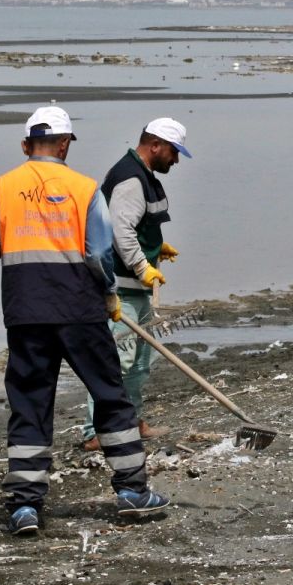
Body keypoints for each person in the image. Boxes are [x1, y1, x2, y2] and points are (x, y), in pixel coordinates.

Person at [0, 105, 170, 535]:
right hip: (79, 310)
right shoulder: (84, 188)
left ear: (26, 145)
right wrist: (112, 296)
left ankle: (24, 506)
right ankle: (132, 492)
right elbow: (99, 253)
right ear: (64, 145)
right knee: (110, 395)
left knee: (30, 403)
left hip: (25, 313)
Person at [81, 118, 191, 451]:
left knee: (142, 361)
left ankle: (133, 421)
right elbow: (119, 231)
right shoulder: (130, 179)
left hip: (137, 286)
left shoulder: (144, 177)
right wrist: (144, 267)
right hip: (121, 287)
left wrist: (157, 249)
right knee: (117, 359)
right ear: (155, 145)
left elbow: (140, 226)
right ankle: (94, 432)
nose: (175, 159)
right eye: (173, 152)